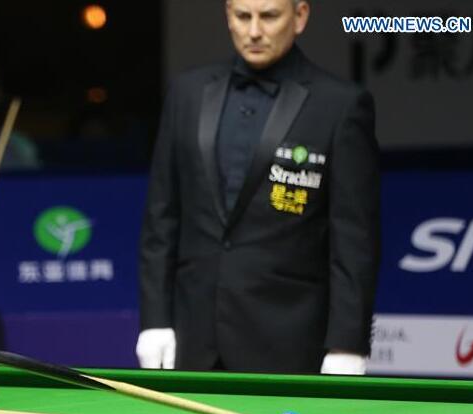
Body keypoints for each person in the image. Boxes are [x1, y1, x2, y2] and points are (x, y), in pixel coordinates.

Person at [137, 0, 380, 375]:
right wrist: (155, 320)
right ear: (227, 15)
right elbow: (161, 219)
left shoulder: (341, 106)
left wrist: (347, 343)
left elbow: (354, 240)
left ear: (299, 16)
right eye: (242, 16)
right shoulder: (187, 92)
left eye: (268, 16)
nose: (253, 31)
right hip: (193, 339)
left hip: (291, 342)